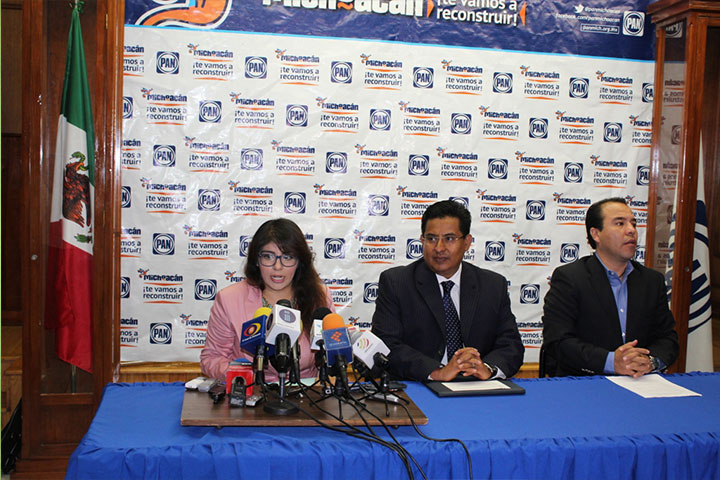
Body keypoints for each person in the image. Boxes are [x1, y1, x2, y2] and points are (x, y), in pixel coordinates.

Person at [371, 200, 524, 381]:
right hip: (421, 384)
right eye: (431, 239)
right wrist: (437, 371)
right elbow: (386, 345)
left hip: (477, 385)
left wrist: (487, 369)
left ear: (467, 242)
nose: (439, 248)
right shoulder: (397, 283)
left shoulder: (492, 285)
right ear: (422, 240)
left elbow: (511, 345)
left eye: (449, 239)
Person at [542, 197, 678, 377]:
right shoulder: (570, 278)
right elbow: (558, 342)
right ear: (596, 234)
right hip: (586, 381)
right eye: (620, 223)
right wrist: (610, 362)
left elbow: (667, 339)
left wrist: (650, 361)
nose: (631, 230)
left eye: (633, 224)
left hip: (640, 380)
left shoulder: (652, 281)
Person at [201, 218, 334, 382]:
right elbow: (212, 358)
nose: (278, 266)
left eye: (287, 257)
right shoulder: (229, 299)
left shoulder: (320, 296)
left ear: (300, 261)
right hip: (252, 390)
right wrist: (243, 377)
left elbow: (330, 355)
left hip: (306, 391)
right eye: (268, 256)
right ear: (257, 260)